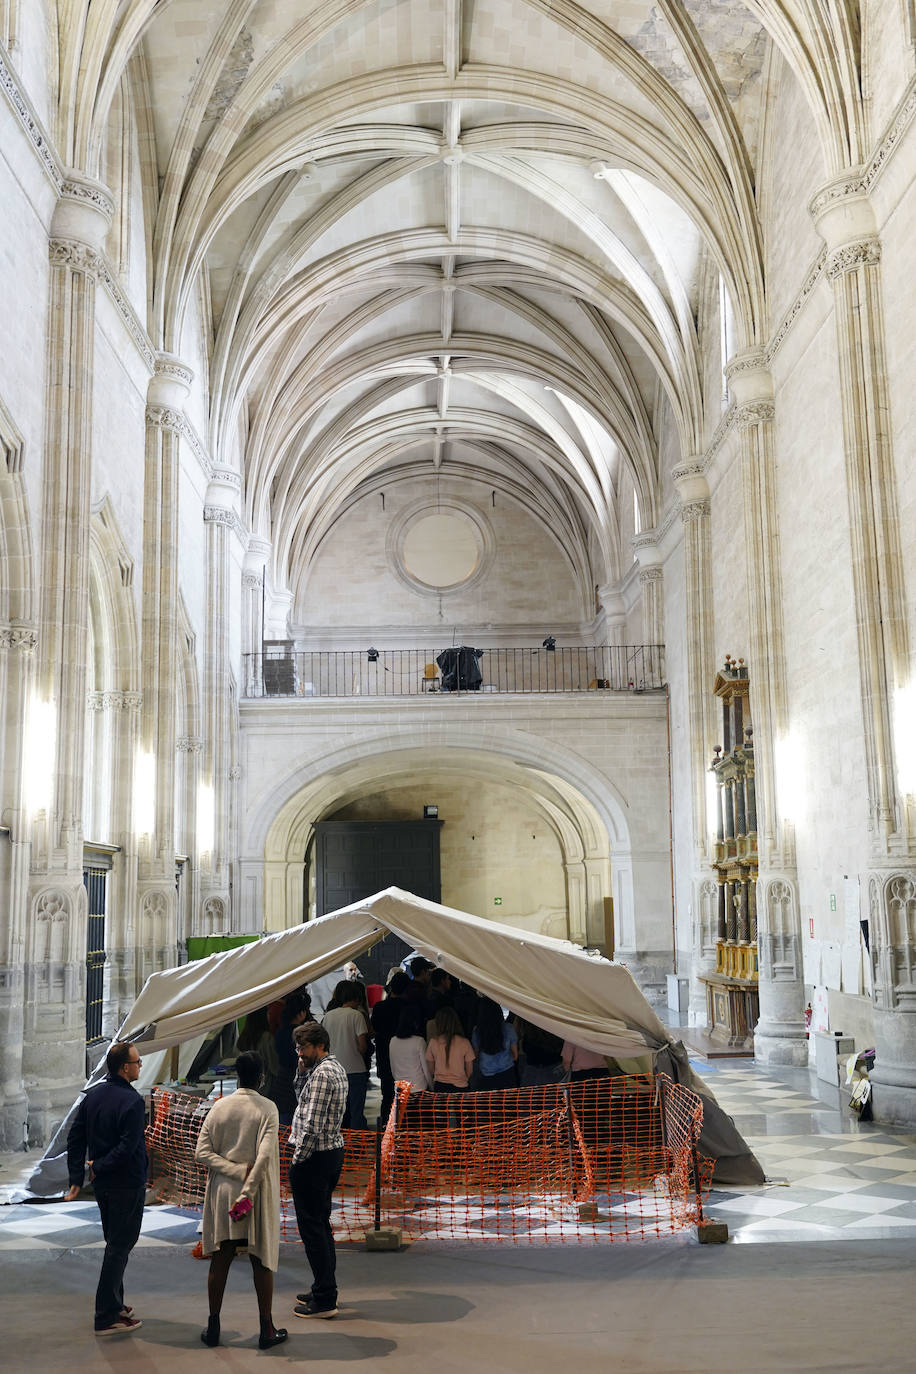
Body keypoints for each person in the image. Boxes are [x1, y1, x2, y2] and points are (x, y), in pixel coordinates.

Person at [194, 1051, 287, 1350]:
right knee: (262, 1260)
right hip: (254, 1194)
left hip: (224, 1192)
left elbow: (202, 1153)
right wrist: (246, 1193)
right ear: (261, 1077)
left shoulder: (219, 1109)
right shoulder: (267, 1108)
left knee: (221, 1257)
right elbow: (264, 1158)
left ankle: (213, 1328)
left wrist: (232, 1171)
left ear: (236, 1076)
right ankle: (266, 1329)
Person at [65, 1041, 147, 1337]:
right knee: (119, 1248)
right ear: (125, 1067)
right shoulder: (133, 1102)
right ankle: (106, 1315)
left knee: (115, 1244)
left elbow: (74, 1137)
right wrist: (97, 1166)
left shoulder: (93, 1096)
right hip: (125, 1183)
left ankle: (116, 1302)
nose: (140, 1066)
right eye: (137, 1062)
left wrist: (77, 1176)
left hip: (105, 1187)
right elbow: (128, 1148)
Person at [288, 1021, 349, 1319]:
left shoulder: (324, 1074)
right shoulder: (327, 1068)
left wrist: (298, 1159)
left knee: (313, 1229)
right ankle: (323, 1285)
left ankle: (325, 1299)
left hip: (315, 1158)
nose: (299, 1052)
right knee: (320, 1226)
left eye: (303, 1048)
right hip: (328, 1154)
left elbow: (311, 1126)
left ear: (319, 1045)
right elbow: (301, 1097)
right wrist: (301, 1070)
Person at [322, 980, 371, 1128]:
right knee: (356, 1113)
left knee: (337, 1114)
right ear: (356, 997)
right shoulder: (356, 1016)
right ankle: (356, 1148)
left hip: (333, 1071)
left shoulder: (328, 1016)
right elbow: (363, 1046)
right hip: (355, 1070)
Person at [370, 970, 411, 1122]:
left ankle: (386, 1128)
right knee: (407, 1097)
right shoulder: (409, 1007)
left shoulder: (380, 1007)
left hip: (384, 1054)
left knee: (387, 1096)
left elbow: (374, 1029)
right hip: (406, 1057)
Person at [273, 992, 312, 1124]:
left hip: (282, 1078)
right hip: (298, 1078)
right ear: (301, 1013)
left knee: (284, 1121)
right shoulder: (301, 1034)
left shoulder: (280, 1031)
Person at [472, 997, 519, 1090]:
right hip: (507, 1075)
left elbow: (476, 1056)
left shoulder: (477, 1031)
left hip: (487, 1077)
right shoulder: (508, 1028)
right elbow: (515, 1056)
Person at [425, 1006, 475, 1092]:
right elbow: (470, 1071)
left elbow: (431, 1069)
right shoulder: (464, 1042)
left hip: (440, 1087)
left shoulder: (433, 1042)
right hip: (460, 1087)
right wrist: (462, 1079)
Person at [388, 1002, 433, 1093]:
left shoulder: (393, 1041)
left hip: (401, 1088)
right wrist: (432, 1086)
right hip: (418, 1087)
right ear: (415, 1022)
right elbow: (426, 1069)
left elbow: (393, 1068)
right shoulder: (419, 1041)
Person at [237, 1006, 279, 1101]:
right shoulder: (266, 1038)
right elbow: (274, 1067)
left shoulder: (244, 1037)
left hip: (243, 1085)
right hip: (263, 1088)